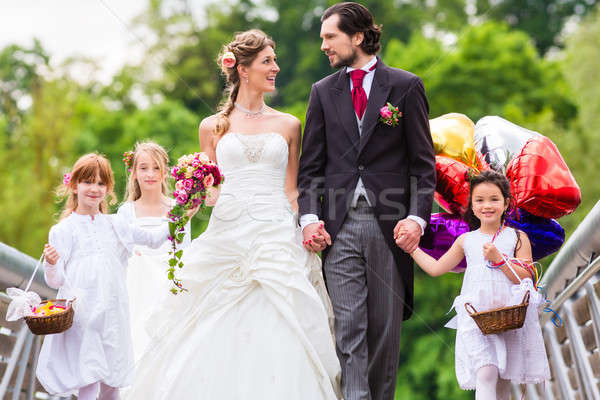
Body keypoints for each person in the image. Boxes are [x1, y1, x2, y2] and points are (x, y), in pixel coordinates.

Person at [125, 29, 341, 399]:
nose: (276, 67)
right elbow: (212, 195)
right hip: (226, 232)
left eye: (273, 60)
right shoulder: (212, 128)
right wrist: (191, 197)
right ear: (242, 69)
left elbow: (293, 190)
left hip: (275, 233)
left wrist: (308, 223)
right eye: (267, 61)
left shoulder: (289, 125)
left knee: (284, 324)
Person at [297, 2, 436, 399]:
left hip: (391, 228)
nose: (323, 45)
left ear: (357, 37)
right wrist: (309, 218)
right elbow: (311, 168)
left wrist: (417, 220)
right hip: (338, 229)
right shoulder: (322, 92)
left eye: (329, 37)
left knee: (384, 334)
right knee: (348, 330)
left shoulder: (406, 86)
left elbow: (423, 167)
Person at [36, 153, 172, 400]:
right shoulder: (63, 230)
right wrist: (52, 264)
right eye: (88, 182)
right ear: (74, 186)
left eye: (101, 183)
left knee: (111, 383)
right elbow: (55, 282)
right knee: (89, 378)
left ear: (108, 189)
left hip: (112, 313)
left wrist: (183, 213)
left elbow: (153, 239)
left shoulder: (115, 224)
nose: (94, 189)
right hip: (84, 317)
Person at [408, 170, 550, 399]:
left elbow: (527, 277)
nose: (487, 206)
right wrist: (412, 249)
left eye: (494, 199)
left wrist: (499, 260)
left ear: (506, 203)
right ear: (472, 207)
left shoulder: (517, 237)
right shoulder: (466, 240)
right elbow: (436, 268)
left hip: (509, 315)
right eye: (480, 200)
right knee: (486, 371)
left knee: (503, 379)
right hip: (476, 316)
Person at [117, 141, 191, 363]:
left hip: (168, 285)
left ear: (165, 172)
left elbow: (185, 250)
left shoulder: (178, 208)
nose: (150, 174)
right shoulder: (126, 211)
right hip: (136, 288)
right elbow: (122, 253)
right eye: (143, 167)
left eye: (156, 167)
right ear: (134, 173)